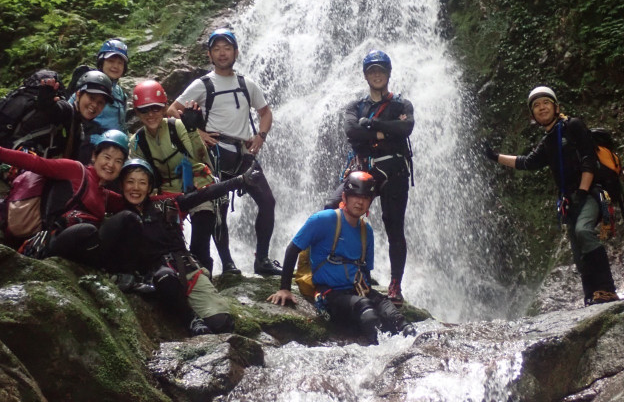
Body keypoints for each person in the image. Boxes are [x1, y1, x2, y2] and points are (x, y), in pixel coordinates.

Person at [484, 86, 619, 306]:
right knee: (577, 250)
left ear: (556, 107)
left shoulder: (573, 126)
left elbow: (588, 160)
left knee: (583, 231)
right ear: (533, 115)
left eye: (546, 103)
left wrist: (582, 192)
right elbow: (527, 162)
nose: (541, 108)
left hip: (591, 192)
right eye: (536, 106)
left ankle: (606, 289)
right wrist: (494, 156)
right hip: (570, 200)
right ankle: (592, 294)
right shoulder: (548, 141)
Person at [167, 27, 281, 276]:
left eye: (227, 48)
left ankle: (262, 259)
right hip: (215, 153)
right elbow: (172, 110)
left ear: (236, 52)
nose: (222, 53)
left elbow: (265, 112)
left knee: (267, 202)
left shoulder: (246, 84)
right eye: (216, 49)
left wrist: (261, 136)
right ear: (209, 54)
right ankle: (228, 263)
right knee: (219, 209)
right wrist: (198, 133)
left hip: (243, 153)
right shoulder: (203, 84)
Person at [106, 158, 261, 335]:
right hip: (157, 278)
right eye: (130, 182)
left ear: (149, 187)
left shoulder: (166, 204)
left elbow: (205, 194)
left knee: (221, 323)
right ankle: (191, 319)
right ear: (121, 185)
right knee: (165, 277)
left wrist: (240, 180)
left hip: (188, 270)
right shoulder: (120, 217)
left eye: (142, 183)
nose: (136, 188)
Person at [268, 171, 415, 345]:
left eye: (365, 198)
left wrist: (373, 296)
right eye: (355, 196)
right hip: (330, 294)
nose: (360, 202)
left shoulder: (366, 231)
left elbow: (365, 270)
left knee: (396, 318)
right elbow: (292, 250)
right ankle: (379, 350)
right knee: (366, 311)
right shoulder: (322, 220)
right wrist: (285, 289)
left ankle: (410, 343)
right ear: (344, 197)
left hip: (356, 290)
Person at [326, 50, 414, 306]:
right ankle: (338, 270)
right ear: (366, 75)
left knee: (394, 225)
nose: (377, 75)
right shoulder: (356, 106)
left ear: (388, 73)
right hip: (365, 170)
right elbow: (352, 131)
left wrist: (372, 125)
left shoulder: (402, 104)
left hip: (395, 171)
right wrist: (388, 131)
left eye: (381, 70)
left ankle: (395, 285)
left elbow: (406, 128)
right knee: (333, 207)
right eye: (372, 71)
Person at [129, 80, 240, 276]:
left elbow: (199, 156)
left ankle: (205, 278)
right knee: (171, 243)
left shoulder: (177, 126)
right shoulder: (137, 141)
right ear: (137, 112)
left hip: (197, 185)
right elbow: (143, 175)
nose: (151, 114)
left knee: (200, 242)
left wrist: (192, 130)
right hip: (166, 193)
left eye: (156, 108)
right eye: (144, 110)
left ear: (165, 107)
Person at [0, 130, 128, 264]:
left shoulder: (105, 195)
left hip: (78, 246)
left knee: (127, 218)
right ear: (94, 156)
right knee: (87, 231)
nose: (111, 165)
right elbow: (36, 163)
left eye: (118, 161)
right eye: (107, 157)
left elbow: (131, 202)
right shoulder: (76, 171)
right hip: (50, 241)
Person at [68, 39, 129, 153]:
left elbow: (122, 125)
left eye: (120, 63)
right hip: (88, 147)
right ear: (102, 62)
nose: (115, 66)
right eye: (111, 61)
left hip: (114, 149)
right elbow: (69, 112)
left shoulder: (121, 94)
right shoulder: (88, 84)